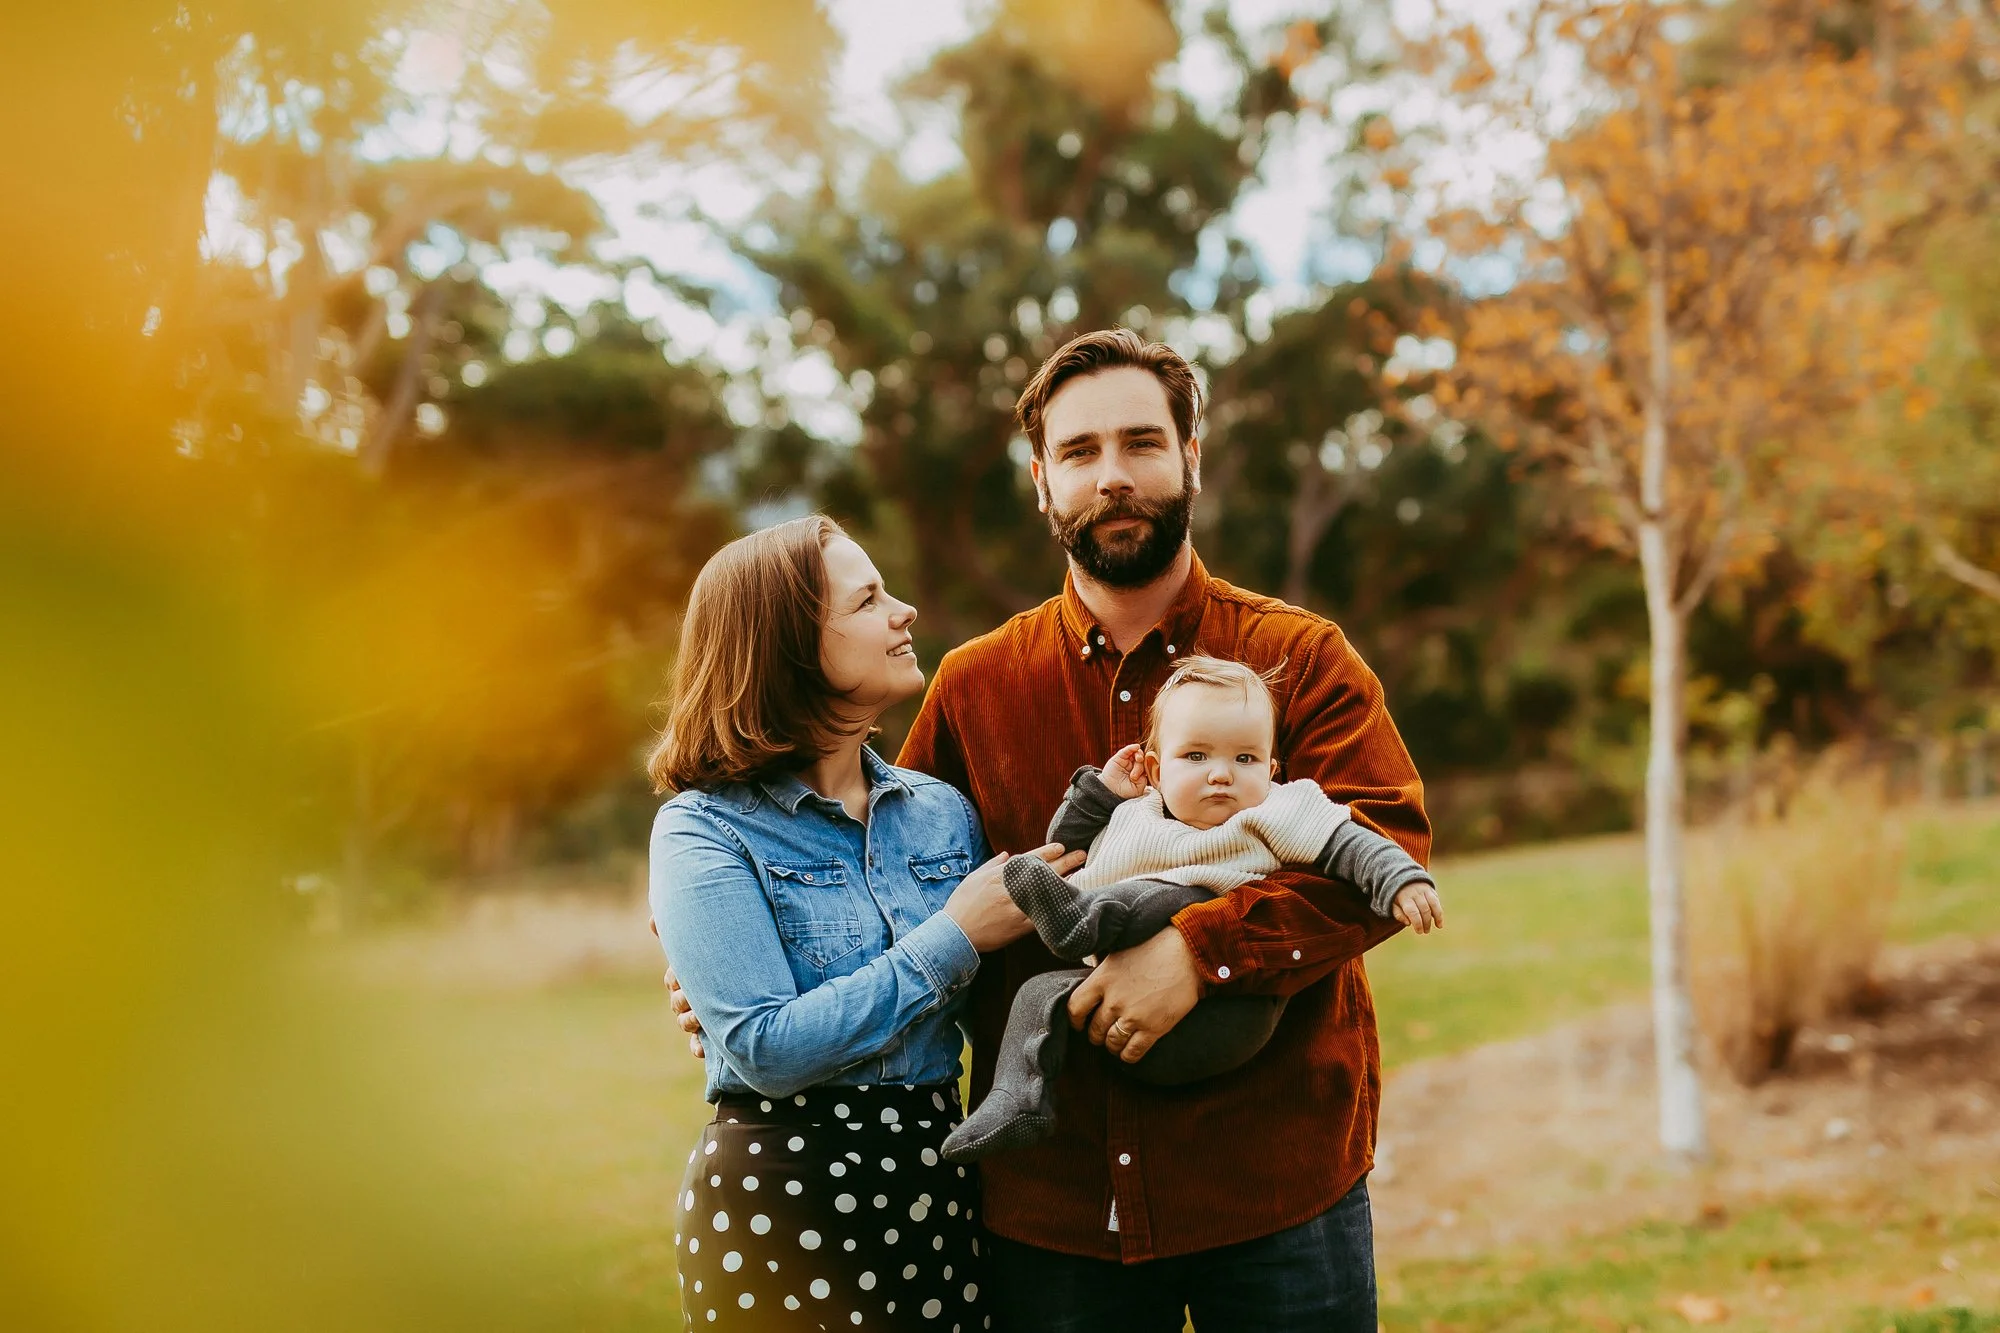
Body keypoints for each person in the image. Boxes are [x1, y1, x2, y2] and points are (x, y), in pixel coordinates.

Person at [672, 328, 1432, 1332]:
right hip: (1055, 1212)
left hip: (1276, 1187)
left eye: (1140, 444)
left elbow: (1380, 843)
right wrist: (713, 950)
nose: (1111, 476)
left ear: (1189, 458)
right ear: (1041, 482)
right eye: (1078, 453)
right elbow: (886, 873)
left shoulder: (1297, 656)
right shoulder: (972, 686)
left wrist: (1199, 956)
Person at [646, 515, 1082, 1333]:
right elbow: (766, 1051)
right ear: (786, 644)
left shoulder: (942, 813)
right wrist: (953, 935)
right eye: (869, 599)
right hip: (780, 1204)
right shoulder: (704, 828)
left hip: (936, 1183)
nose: (905, 610)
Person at [939, 655, 1441, 1162]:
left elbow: (1352, 844)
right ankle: (1015, 1102)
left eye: (1245, 759)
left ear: (1271, 769)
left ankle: (1080, 923)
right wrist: (1102, 793)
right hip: (1114, 1014)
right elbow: (1063, 846)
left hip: (1227, 1013)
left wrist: (1400, 880)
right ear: (1156, 769)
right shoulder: (1135, 814)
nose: (1221, 775)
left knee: (1168, 896)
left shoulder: (1279, 810)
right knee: (1036, 995)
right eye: (1196, 756)